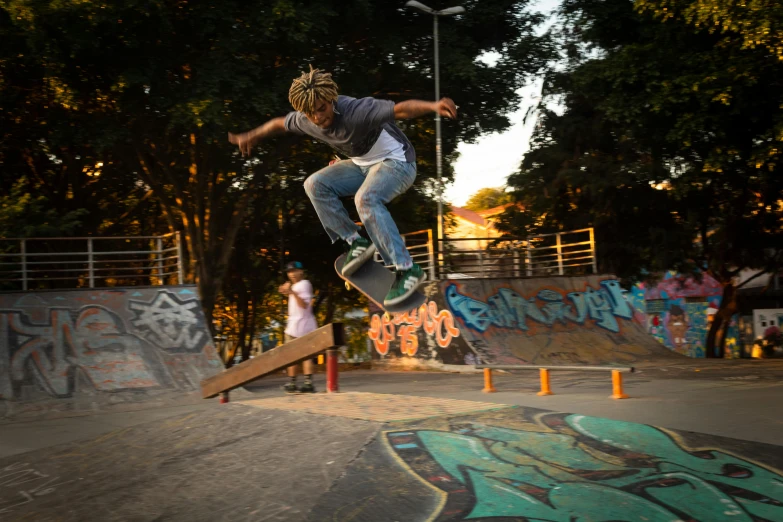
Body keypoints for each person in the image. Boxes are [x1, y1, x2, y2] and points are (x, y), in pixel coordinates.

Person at [229, 66, 458, 305]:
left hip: (398, 163)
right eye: (311, 113)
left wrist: (433, 106)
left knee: (365, 198)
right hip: (362, 165)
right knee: (314, 184)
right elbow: (278, 123)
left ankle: (407, 269)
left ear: (331, 100)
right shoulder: (305, 119)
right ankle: (355, 241)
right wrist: (252, 135)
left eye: (322, 109)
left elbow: (399, 110)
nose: (319, 117)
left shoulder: (355, 111)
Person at [279, 261, 318, 393]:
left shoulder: (305, 284)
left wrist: (291, 292)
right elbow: (282, 290)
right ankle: (292, 383)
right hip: (293, 326)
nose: (292, 274)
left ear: (301, 272)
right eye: (290, 272)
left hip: (304, 325)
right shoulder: (295, 285)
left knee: (306, 356)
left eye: (295, 271)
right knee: (292, 357)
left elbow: (304, 305)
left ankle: (308, 383)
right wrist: (287, 289)